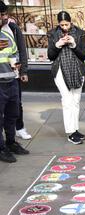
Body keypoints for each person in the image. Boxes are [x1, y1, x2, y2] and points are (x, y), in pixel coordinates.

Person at [47, 11, 85, 145]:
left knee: (76, 101)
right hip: (60, 70)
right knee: (67, 100)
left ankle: (75, 129)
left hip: (77, 70)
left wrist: (73, 44)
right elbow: (50, 56)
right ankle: (70, 133)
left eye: (67, 24)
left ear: (71, 22)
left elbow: (84, 55)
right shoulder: (53, 34)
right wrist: (57, 44)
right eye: (62, 25)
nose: (64, 27)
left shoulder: (80, 33)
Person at [0, 2, 31, 140]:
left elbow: (20, 51)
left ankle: (15, 134)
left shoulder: (12, 28)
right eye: (1, 15)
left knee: (15, 108)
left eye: (5, 14)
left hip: (13, 76)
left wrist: (23, 70)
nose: (4, 17)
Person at [0, 27, 29, 163]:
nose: (3, 18)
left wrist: (18, 66)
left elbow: (15, 53)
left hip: (12, 80)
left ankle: (11, 142)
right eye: (1, 16)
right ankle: (1, 148)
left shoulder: (7, 33)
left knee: (13, 114)